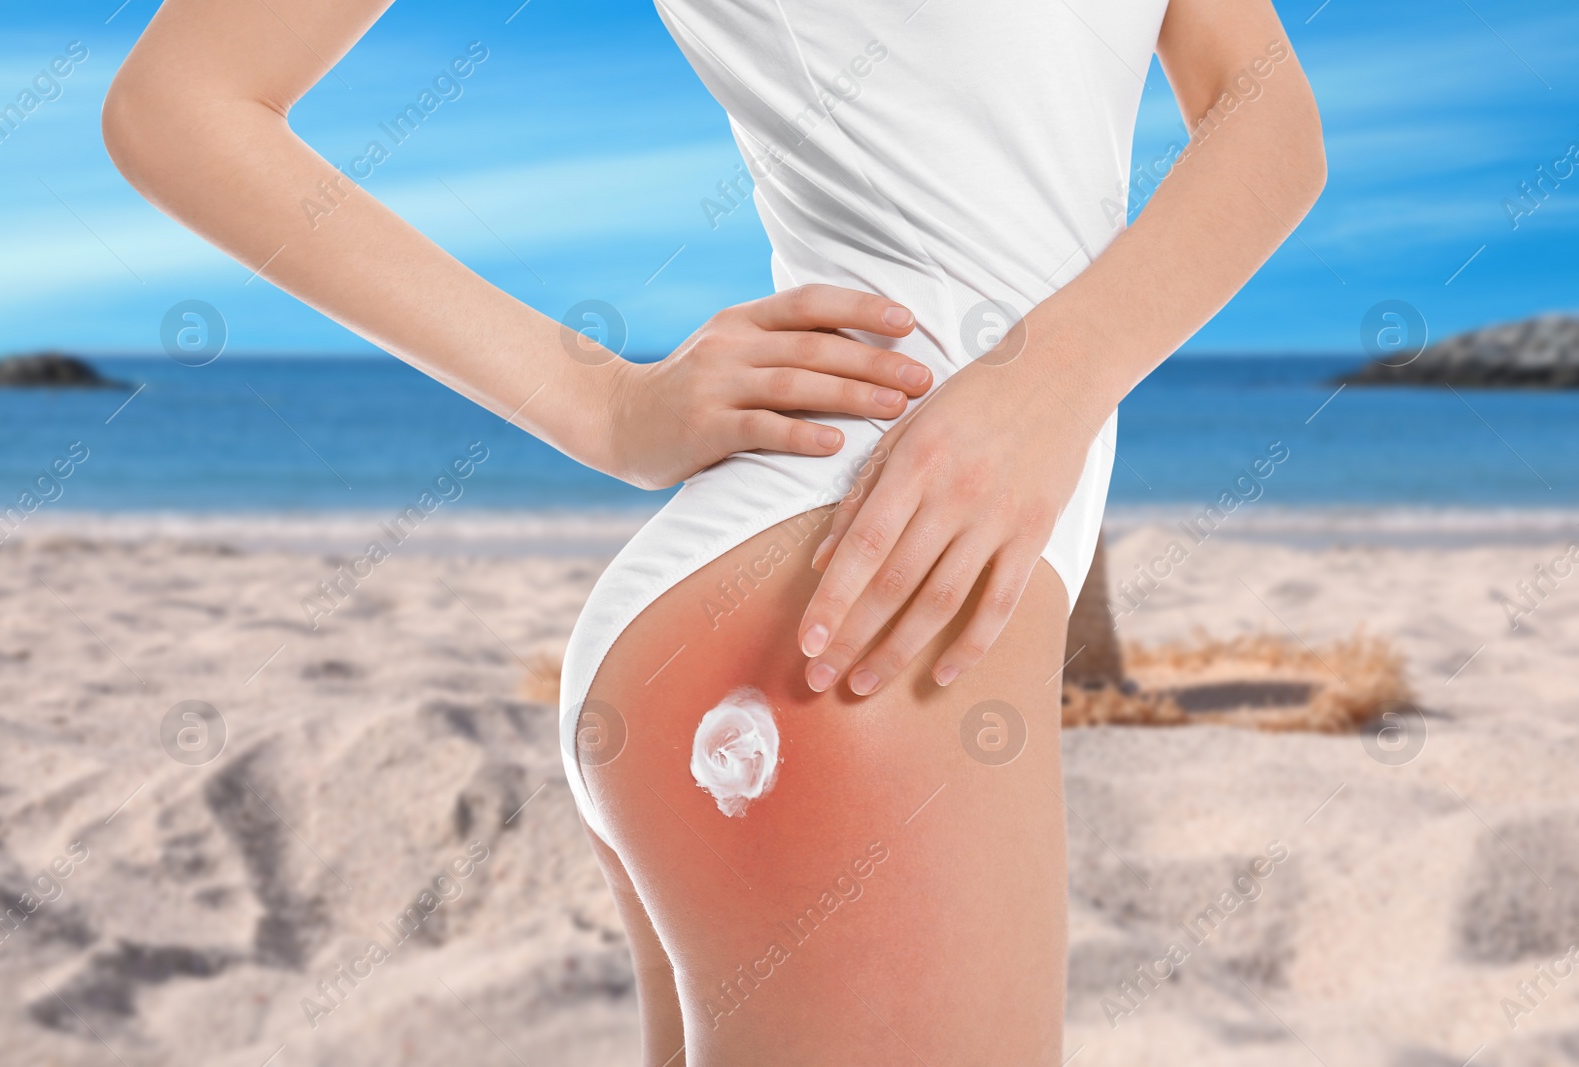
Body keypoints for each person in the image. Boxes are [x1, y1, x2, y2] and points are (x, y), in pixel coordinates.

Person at [104, 0, 1324, 1061]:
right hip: (855, 615)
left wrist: (1047, 383)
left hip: (877, 592)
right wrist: (598, 399)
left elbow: (1269, 122)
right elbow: (179, 105)